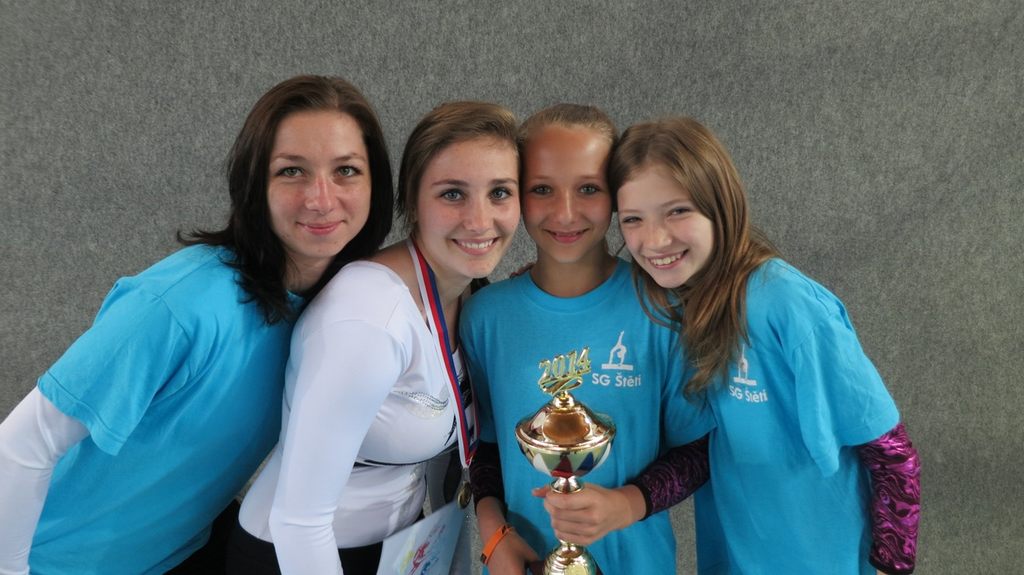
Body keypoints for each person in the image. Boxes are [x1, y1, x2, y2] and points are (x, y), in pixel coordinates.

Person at [0, 75, 394, 575]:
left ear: (375, 184)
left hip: (181, 551)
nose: (321, 198)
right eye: (292, 170)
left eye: (346, 171)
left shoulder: (342, 304)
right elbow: (21, 446)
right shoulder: (181, 303)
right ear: (254, 186)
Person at [610, 116, 921, 574]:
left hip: (818, 557)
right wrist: (628, 502)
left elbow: (892, 454)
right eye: (633, 219)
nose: (654, 239)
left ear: (721, 205)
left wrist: (892, 564)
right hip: (735, 556)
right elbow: (702, 451)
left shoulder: (788, 304)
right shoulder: (677, 304)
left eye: (677, 211)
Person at [226, 101, 521, 575]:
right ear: (412, 201)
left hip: (393, 547)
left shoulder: (469, 295)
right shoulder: (368, 318)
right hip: (298, 555)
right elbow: (299, 522)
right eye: (452, 194)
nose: (479, 220)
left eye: (500, 192)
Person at [461, 104, 715, 574]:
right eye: (542, 189)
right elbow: (485, 448)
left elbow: (698, 450)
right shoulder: (485, 316)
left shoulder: (661, 310)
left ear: (616, 195)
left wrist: (626, 504)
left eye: (588, 189)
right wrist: (494, 534)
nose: (565, 212)